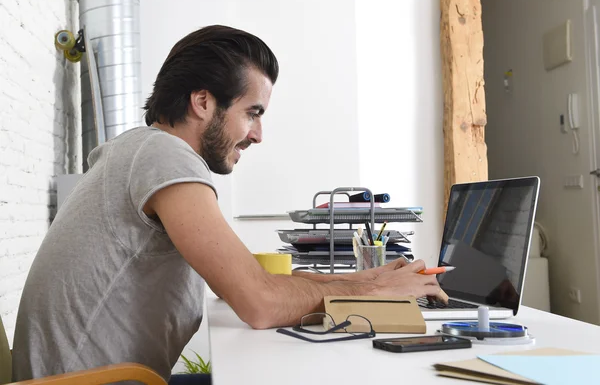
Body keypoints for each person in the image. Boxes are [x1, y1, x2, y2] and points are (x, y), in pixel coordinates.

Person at [11, 25, 443, 385]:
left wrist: (364, 280)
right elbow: (259, 303)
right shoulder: (165, 157)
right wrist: (377, 294)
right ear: (202, 102)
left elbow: (248, 282)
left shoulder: (141, 152)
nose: (257, 135)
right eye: (252, 112)